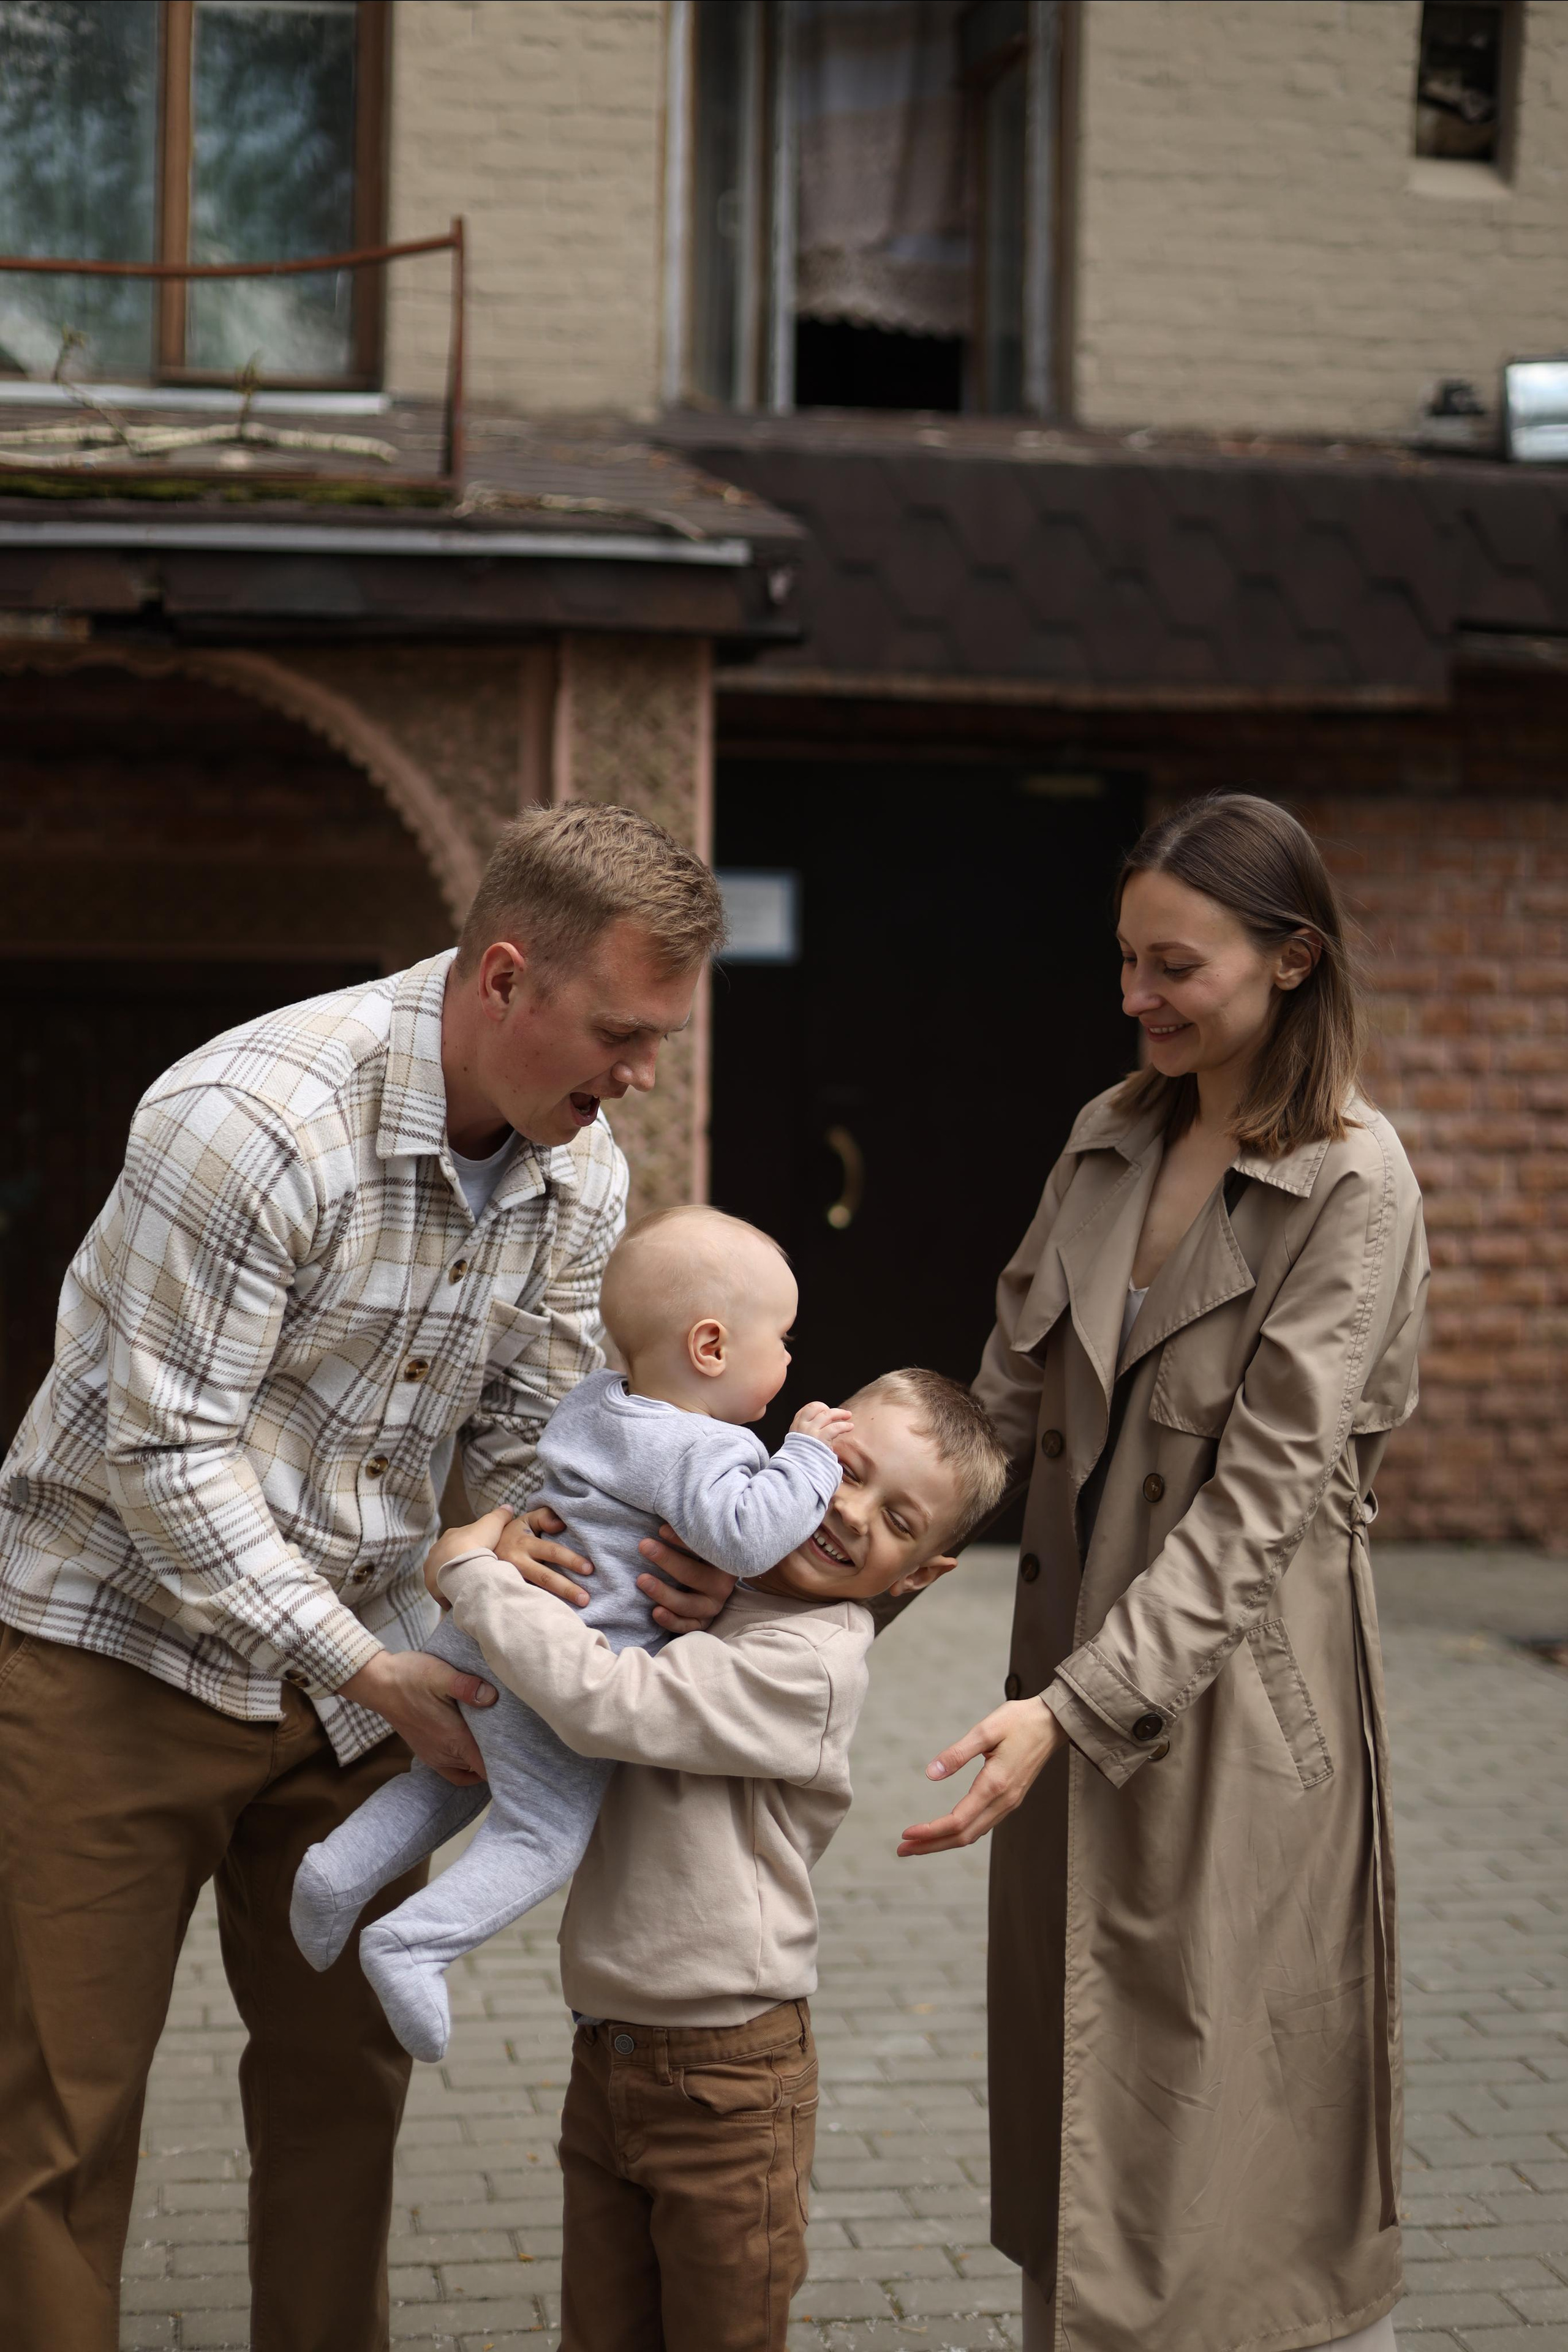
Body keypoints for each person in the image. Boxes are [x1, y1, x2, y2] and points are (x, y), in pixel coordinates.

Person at [0, 802, 733, 2352]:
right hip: (114, 1645)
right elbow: (171, 1459)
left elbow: (534, 1439)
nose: (639, 1079)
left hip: (369, 1671)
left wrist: (652, 1569)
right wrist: (365, 1659)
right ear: (504, 978)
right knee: (58, 2125)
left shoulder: (575, 1169)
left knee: (345, 2097)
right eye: (618, 1032)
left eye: (660, 1039)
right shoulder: (249, 1119)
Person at [900, 794, 1428, 2352]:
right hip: (1063, 1692)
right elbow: (996, 1415)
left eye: (1172, 967)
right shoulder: (1109, 1131)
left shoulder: (1355, 1184)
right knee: (1085, 2125)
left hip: (1245, 1714)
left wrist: (1072, 1709)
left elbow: (1261, 1503)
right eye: (1124, 961)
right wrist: (803, 1542)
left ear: (1289, 960)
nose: (1135, 998)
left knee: (1234, 2153)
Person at [424, 1366, 1010, 2352]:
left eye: (901, 1522)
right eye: (848, 1470)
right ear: (806, 1439)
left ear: (920, 1575)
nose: (850, 1512)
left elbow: (610, 1702)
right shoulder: (710, 1577)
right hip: (607, 2044)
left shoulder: (812, 1663)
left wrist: (469, 1570)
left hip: (731, 2077)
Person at [290, 1204, 848, 2061]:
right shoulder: (708, 1448)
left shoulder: (597, 1402)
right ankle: (416, 1943)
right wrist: (809, 1454)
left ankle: (335, 1873)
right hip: (553, 1664)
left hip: (487, 1627)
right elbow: (747, 1532)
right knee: (541, 1831)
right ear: (712, 1349)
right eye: (783, 1338)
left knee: (449, 1778)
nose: (787, 1359)